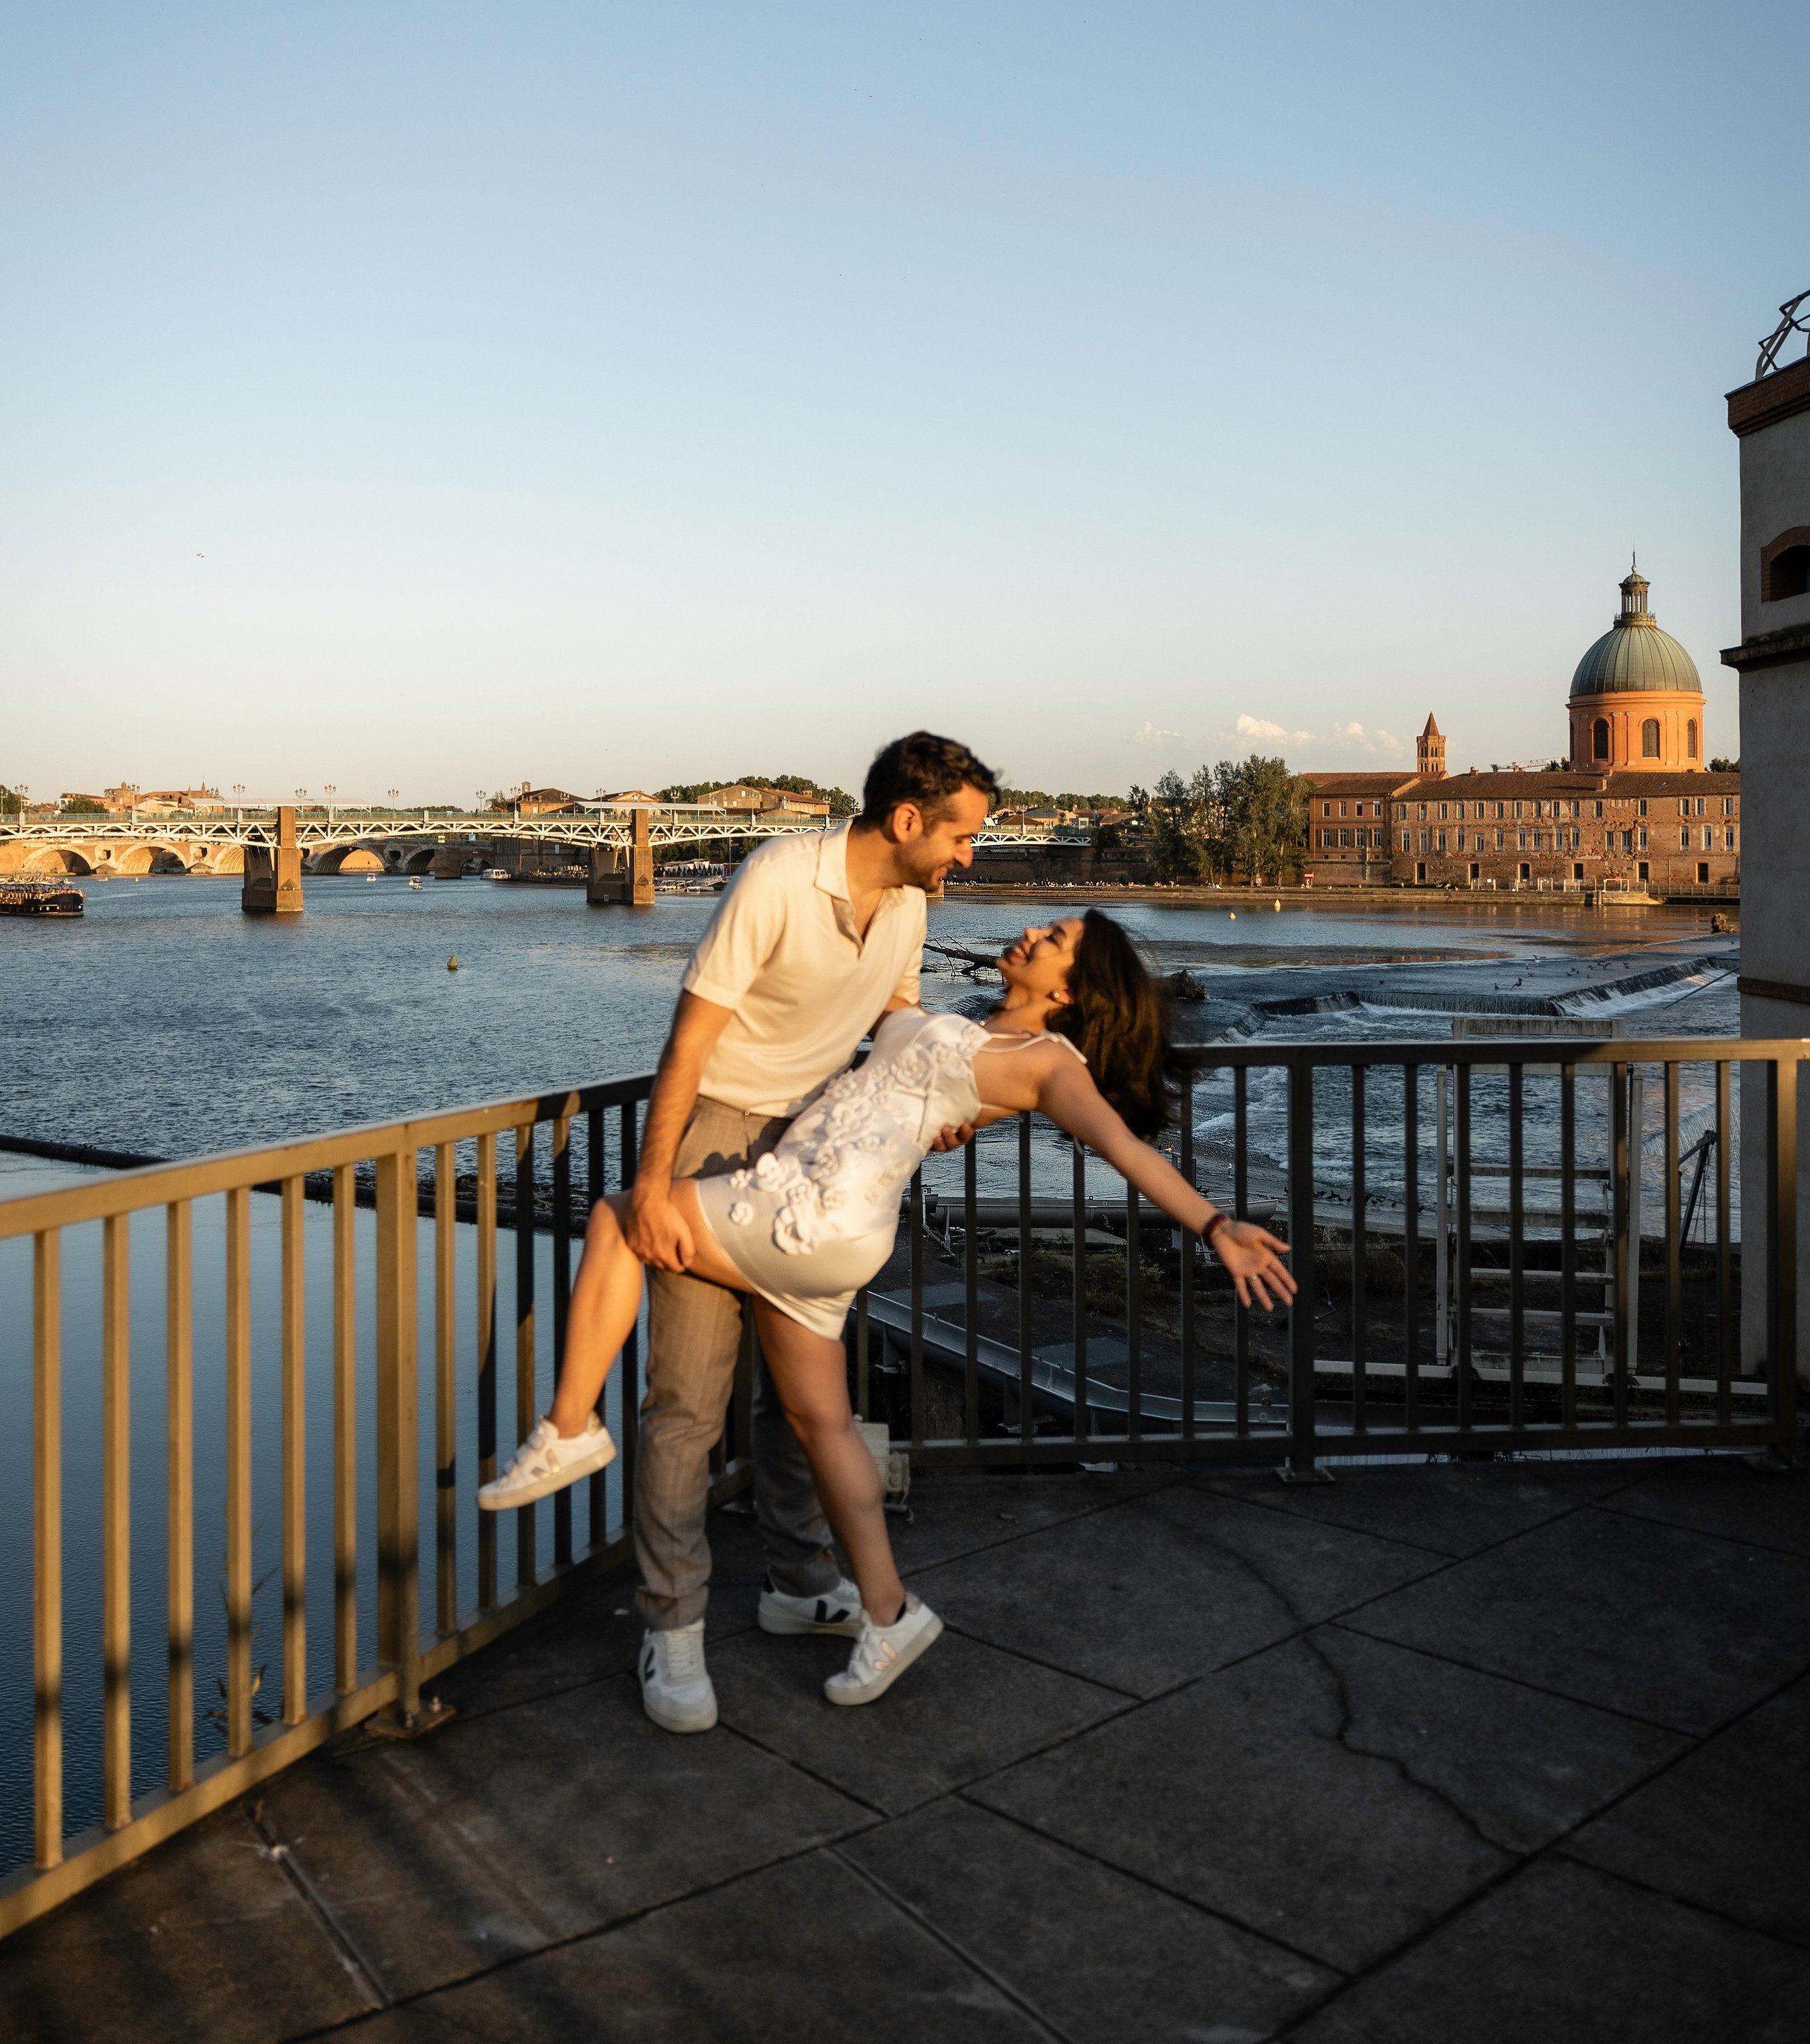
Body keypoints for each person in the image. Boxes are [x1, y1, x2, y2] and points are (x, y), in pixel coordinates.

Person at [480, 900, 1298, 1713]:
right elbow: (876, 1005)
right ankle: (888, 1612)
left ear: (1070, 993)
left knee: (620, 1218)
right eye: (1044, 928)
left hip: (808, 1209)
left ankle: (570, 1426)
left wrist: (1215, 1224)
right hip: (838, 1231)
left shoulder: (1051, 1064)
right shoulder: (964, 1026)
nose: (1030, 935)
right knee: (821, 1424)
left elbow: (1123, 1147)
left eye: (1052, 941)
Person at [477, 732, 999, 1735]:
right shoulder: (776, 878)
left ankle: (799, 1582)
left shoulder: (911, 904)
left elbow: (895, 1021)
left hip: (817, 1149)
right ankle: (671, 1632)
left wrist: (940, 1098)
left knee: (800, 1402)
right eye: (963, 836)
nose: (969, 854)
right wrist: (657, 1185)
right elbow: (692, 1035)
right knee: (688, 1401)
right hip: (718, 1139)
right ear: (905, 822)